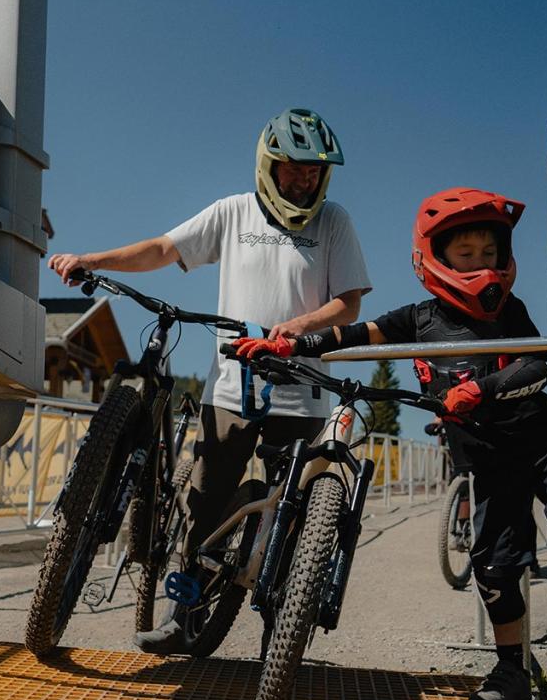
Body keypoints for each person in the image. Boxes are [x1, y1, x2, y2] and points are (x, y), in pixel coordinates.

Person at [234, 186, 547, 700]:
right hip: (487, 460)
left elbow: (537, 366)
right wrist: (293, 344)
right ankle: (512, 671)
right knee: (494, 567)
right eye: (466, 254)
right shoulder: (418, 320)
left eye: (490, 253)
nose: (481, 264)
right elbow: (356, 334)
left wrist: (479, 389)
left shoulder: (509, 313)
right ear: (432, 257)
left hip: (539, 445)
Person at [47, 108, 372, 655]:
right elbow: (163, 249)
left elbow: (349, 302)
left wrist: (298, 326)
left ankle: (281, 639)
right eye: (293, 169)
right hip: (232, 390)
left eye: (314, 171)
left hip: (304, 387)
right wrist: (91, 259)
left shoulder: (333, 221)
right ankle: (184, 613)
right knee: (203, 502)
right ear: (268, 166)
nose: (304, 180)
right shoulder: (233, 212)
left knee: (292, 518)